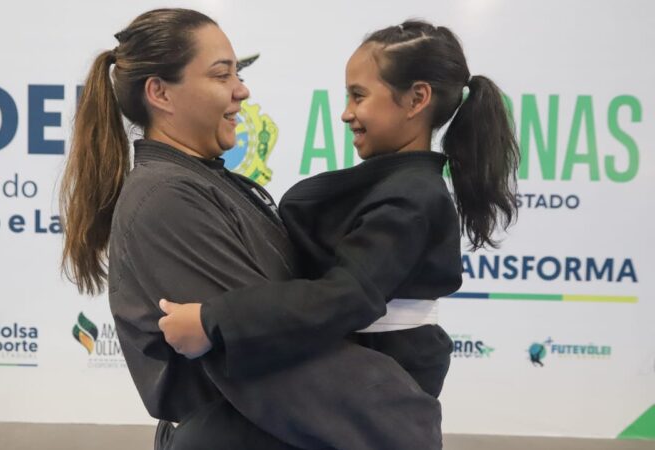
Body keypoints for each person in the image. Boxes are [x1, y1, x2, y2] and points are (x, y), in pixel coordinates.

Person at [158, 19, 520, 448]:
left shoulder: (413, 200)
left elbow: (344, 296)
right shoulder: (395, 189)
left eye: (358, 96)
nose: (347, 112)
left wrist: (212, 321)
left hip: (381, 379)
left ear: (416, 99)